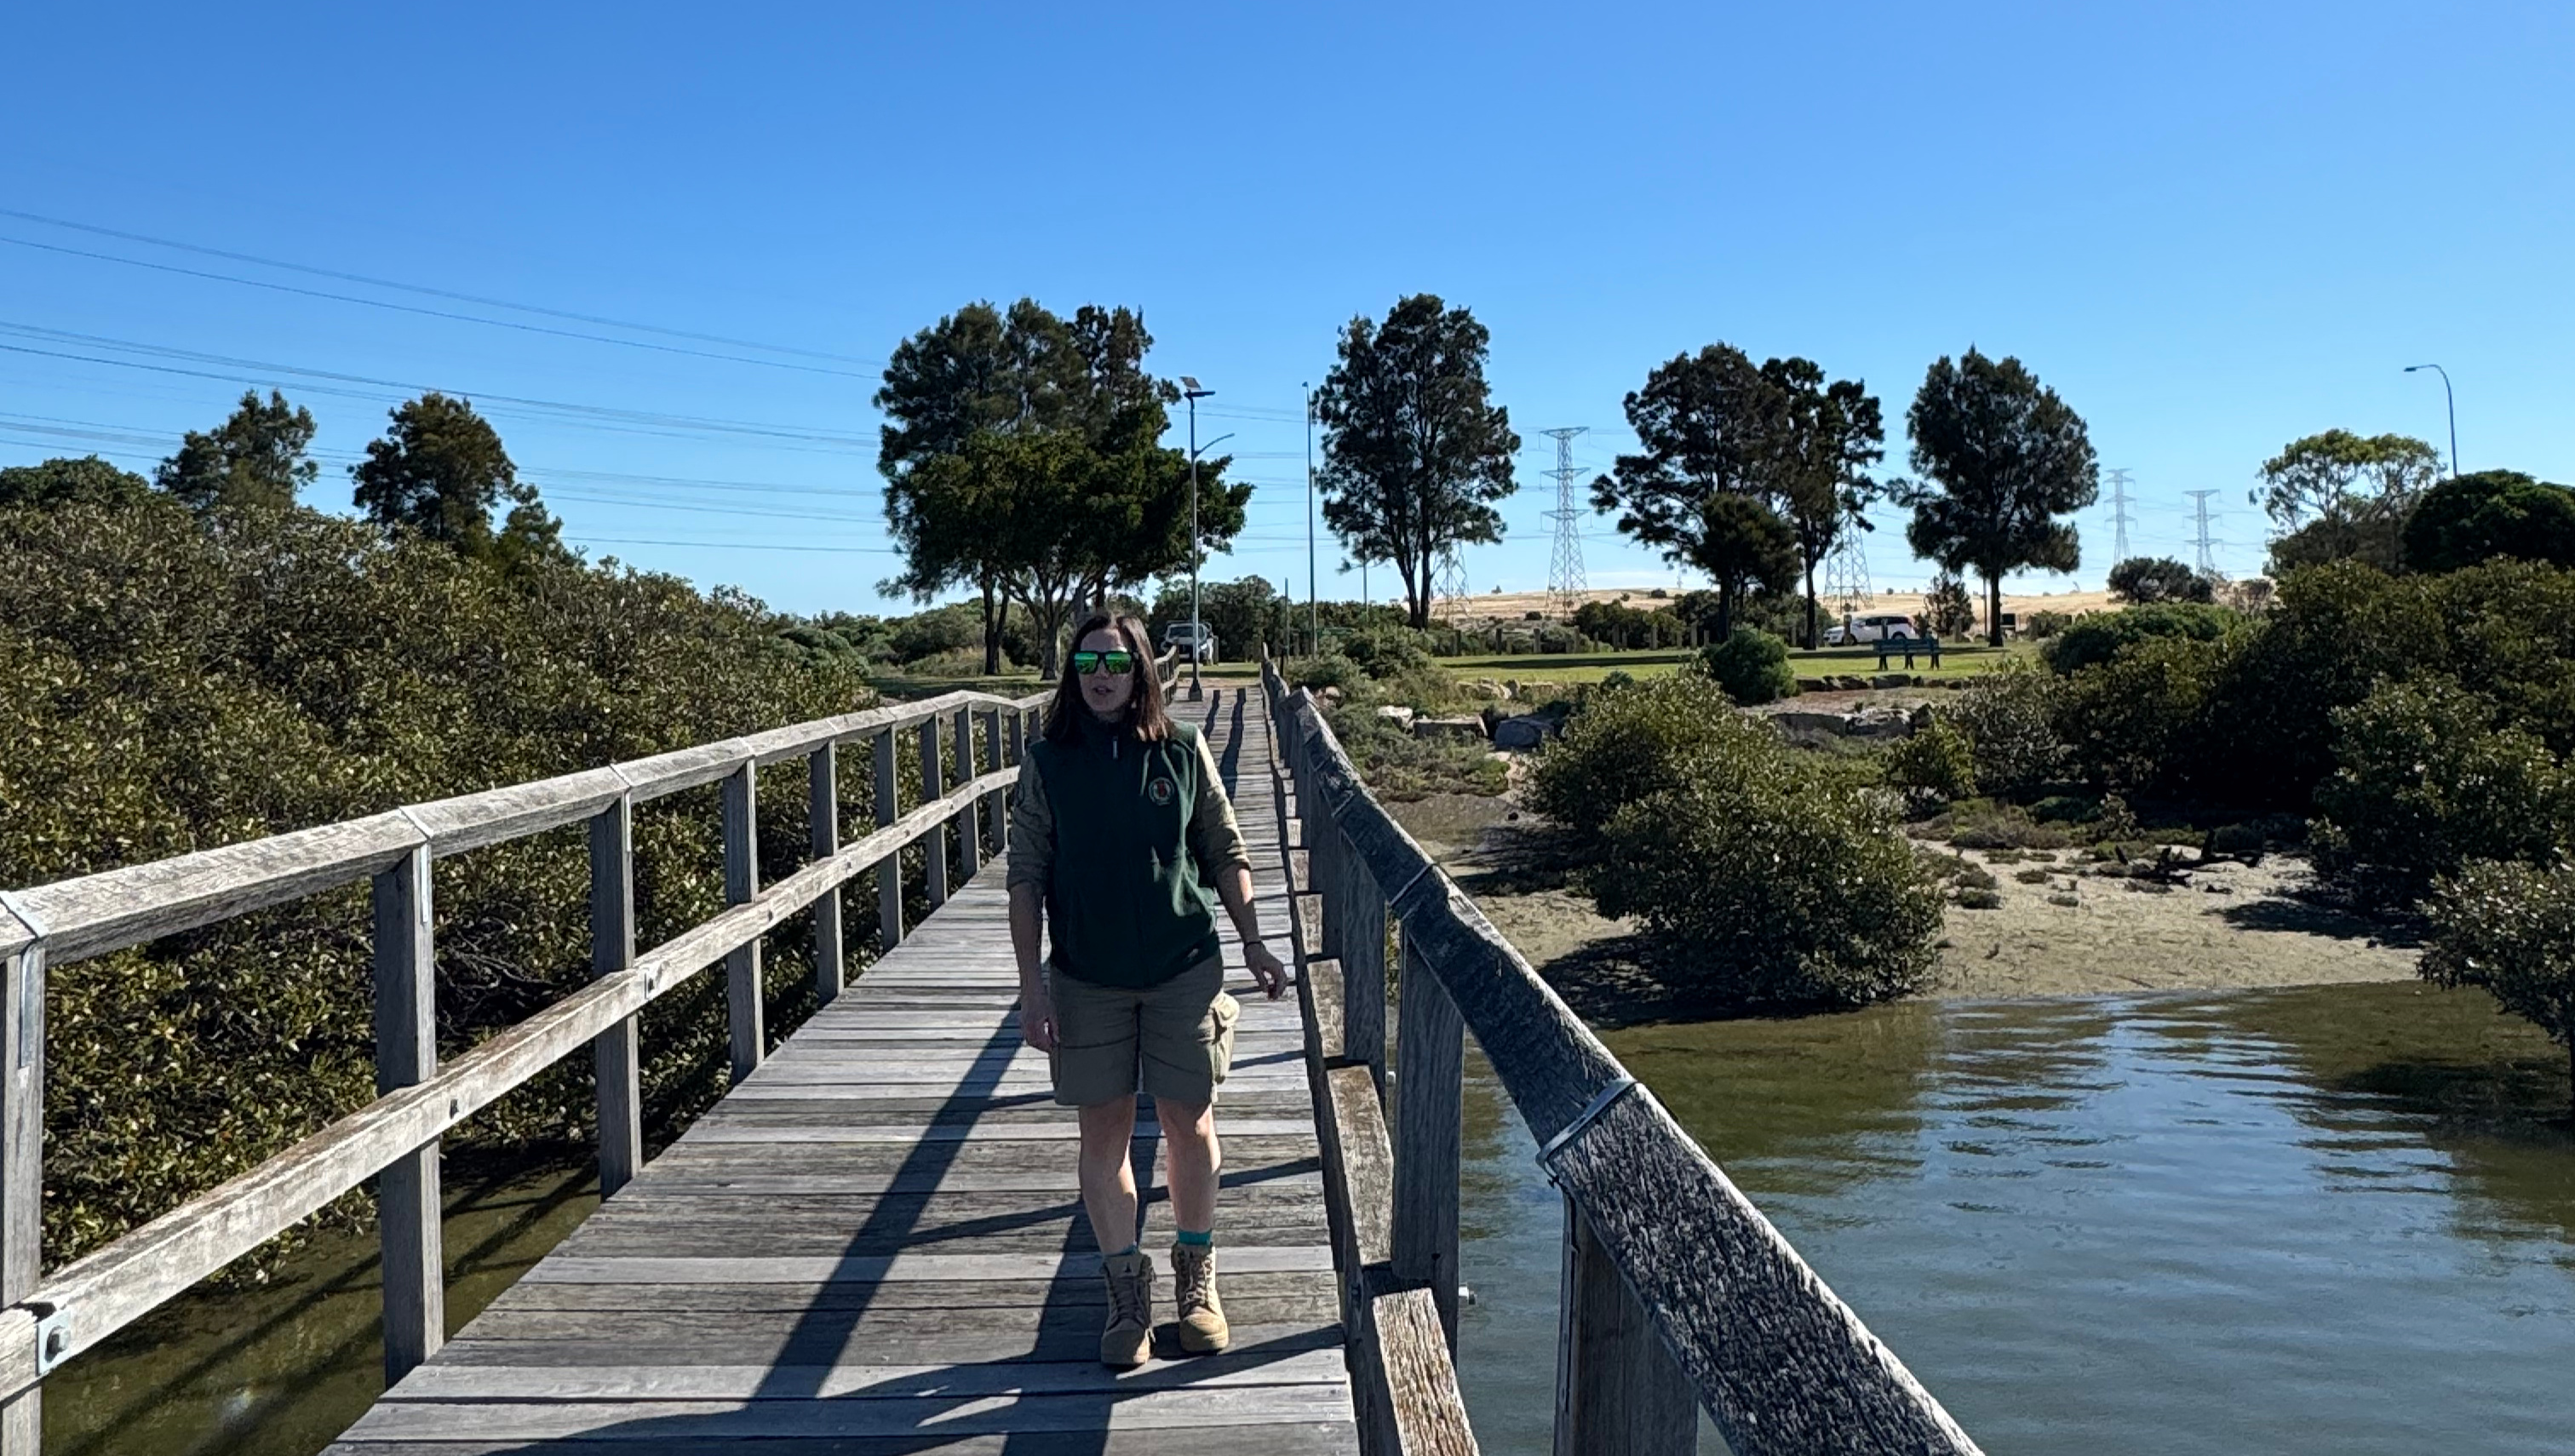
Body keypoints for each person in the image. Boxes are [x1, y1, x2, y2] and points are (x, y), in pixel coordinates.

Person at [1005, 612, 1288, 1368]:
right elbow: (1026, 876)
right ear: (1073, 672)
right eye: (1088, 660)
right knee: (1102, 1133)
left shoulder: (1185, 750)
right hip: (1086, 977)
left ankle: (1197, 1283)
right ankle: (1126, 1292)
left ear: (1141, 672)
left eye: (1117, 661)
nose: (1101, 673)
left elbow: (1225, 850)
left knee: (1187, 1122)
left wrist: (1255, 941)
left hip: (1182, 966)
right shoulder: (1047, 761)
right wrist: (1032, 990)